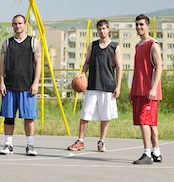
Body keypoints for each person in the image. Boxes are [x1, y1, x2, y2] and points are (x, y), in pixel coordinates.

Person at [67, 19, 123, 153]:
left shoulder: (115, 47)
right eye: (99, 28)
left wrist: (118, 86)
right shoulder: (93, 45)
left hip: (108, 86)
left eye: (104, 28)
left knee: (105, 116)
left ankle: (101, 142)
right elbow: (86, 62)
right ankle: (80, 141)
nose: (102, 31)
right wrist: (82, 75)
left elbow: (120, 68)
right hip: (92, 85)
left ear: (108, 29)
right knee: (85, 114)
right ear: (97, 30)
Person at [0, 14, 42, 156]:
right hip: (10, 86)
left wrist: (35, 83)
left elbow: (38, 64)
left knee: (29, 117)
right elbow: (2, 65)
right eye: (15, 24)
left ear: (25, 25)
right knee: (9, 117)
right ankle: (8, 144)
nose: (18, 26)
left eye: (20, 23)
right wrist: (1, 82)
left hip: (27, 86)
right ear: (12, 25)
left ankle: (30, 146)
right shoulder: (7, 43)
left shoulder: (33, 42)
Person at [130, 14, 163, 165]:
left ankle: (147, 154)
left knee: (144, 121)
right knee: (151, 123)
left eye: (142, 25)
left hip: (149, 91)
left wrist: (153, 88)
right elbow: (138, 70)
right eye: (137, 25)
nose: (139, 27)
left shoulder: (153, 44)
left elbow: (159, 67)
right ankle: (156, 152)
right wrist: (132, 90)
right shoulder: (138, 46)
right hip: (139, 89)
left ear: (148, 26)